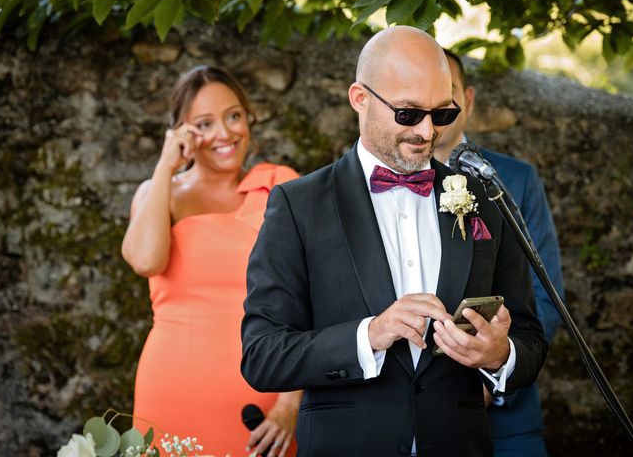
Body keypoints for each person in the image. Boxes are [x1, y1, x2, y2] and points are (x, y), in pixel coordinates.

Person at [241, 26, 547, 456]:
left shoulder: (486, 197)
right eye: (408, 113)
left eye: (441, 114)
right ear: (359, 99)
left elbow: (531, 336)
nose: (426, 131)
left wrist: (500, 355)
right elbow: (262, 354)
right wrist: (370, 335)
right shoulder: (299, 205)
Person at [121, 65, 301, 457]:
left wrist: (290, 404)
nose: (225, 133)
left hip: (262, 399)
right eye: (205, 123)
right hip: (170, 391)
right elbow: (146, 260)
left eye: (233, 116)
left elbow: (312, 296)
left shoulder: (280, 184)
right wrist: (166, 167)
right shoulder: (159, 193)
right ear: (181, 132)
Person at [434, 49, 566, 457]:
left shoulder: (516, 180)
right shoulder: (379, 186)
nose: (434, 108)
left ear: (468, 100)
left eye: (447, 93)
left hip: (507, 426)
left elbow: (546, 296)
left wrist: (491, 369)